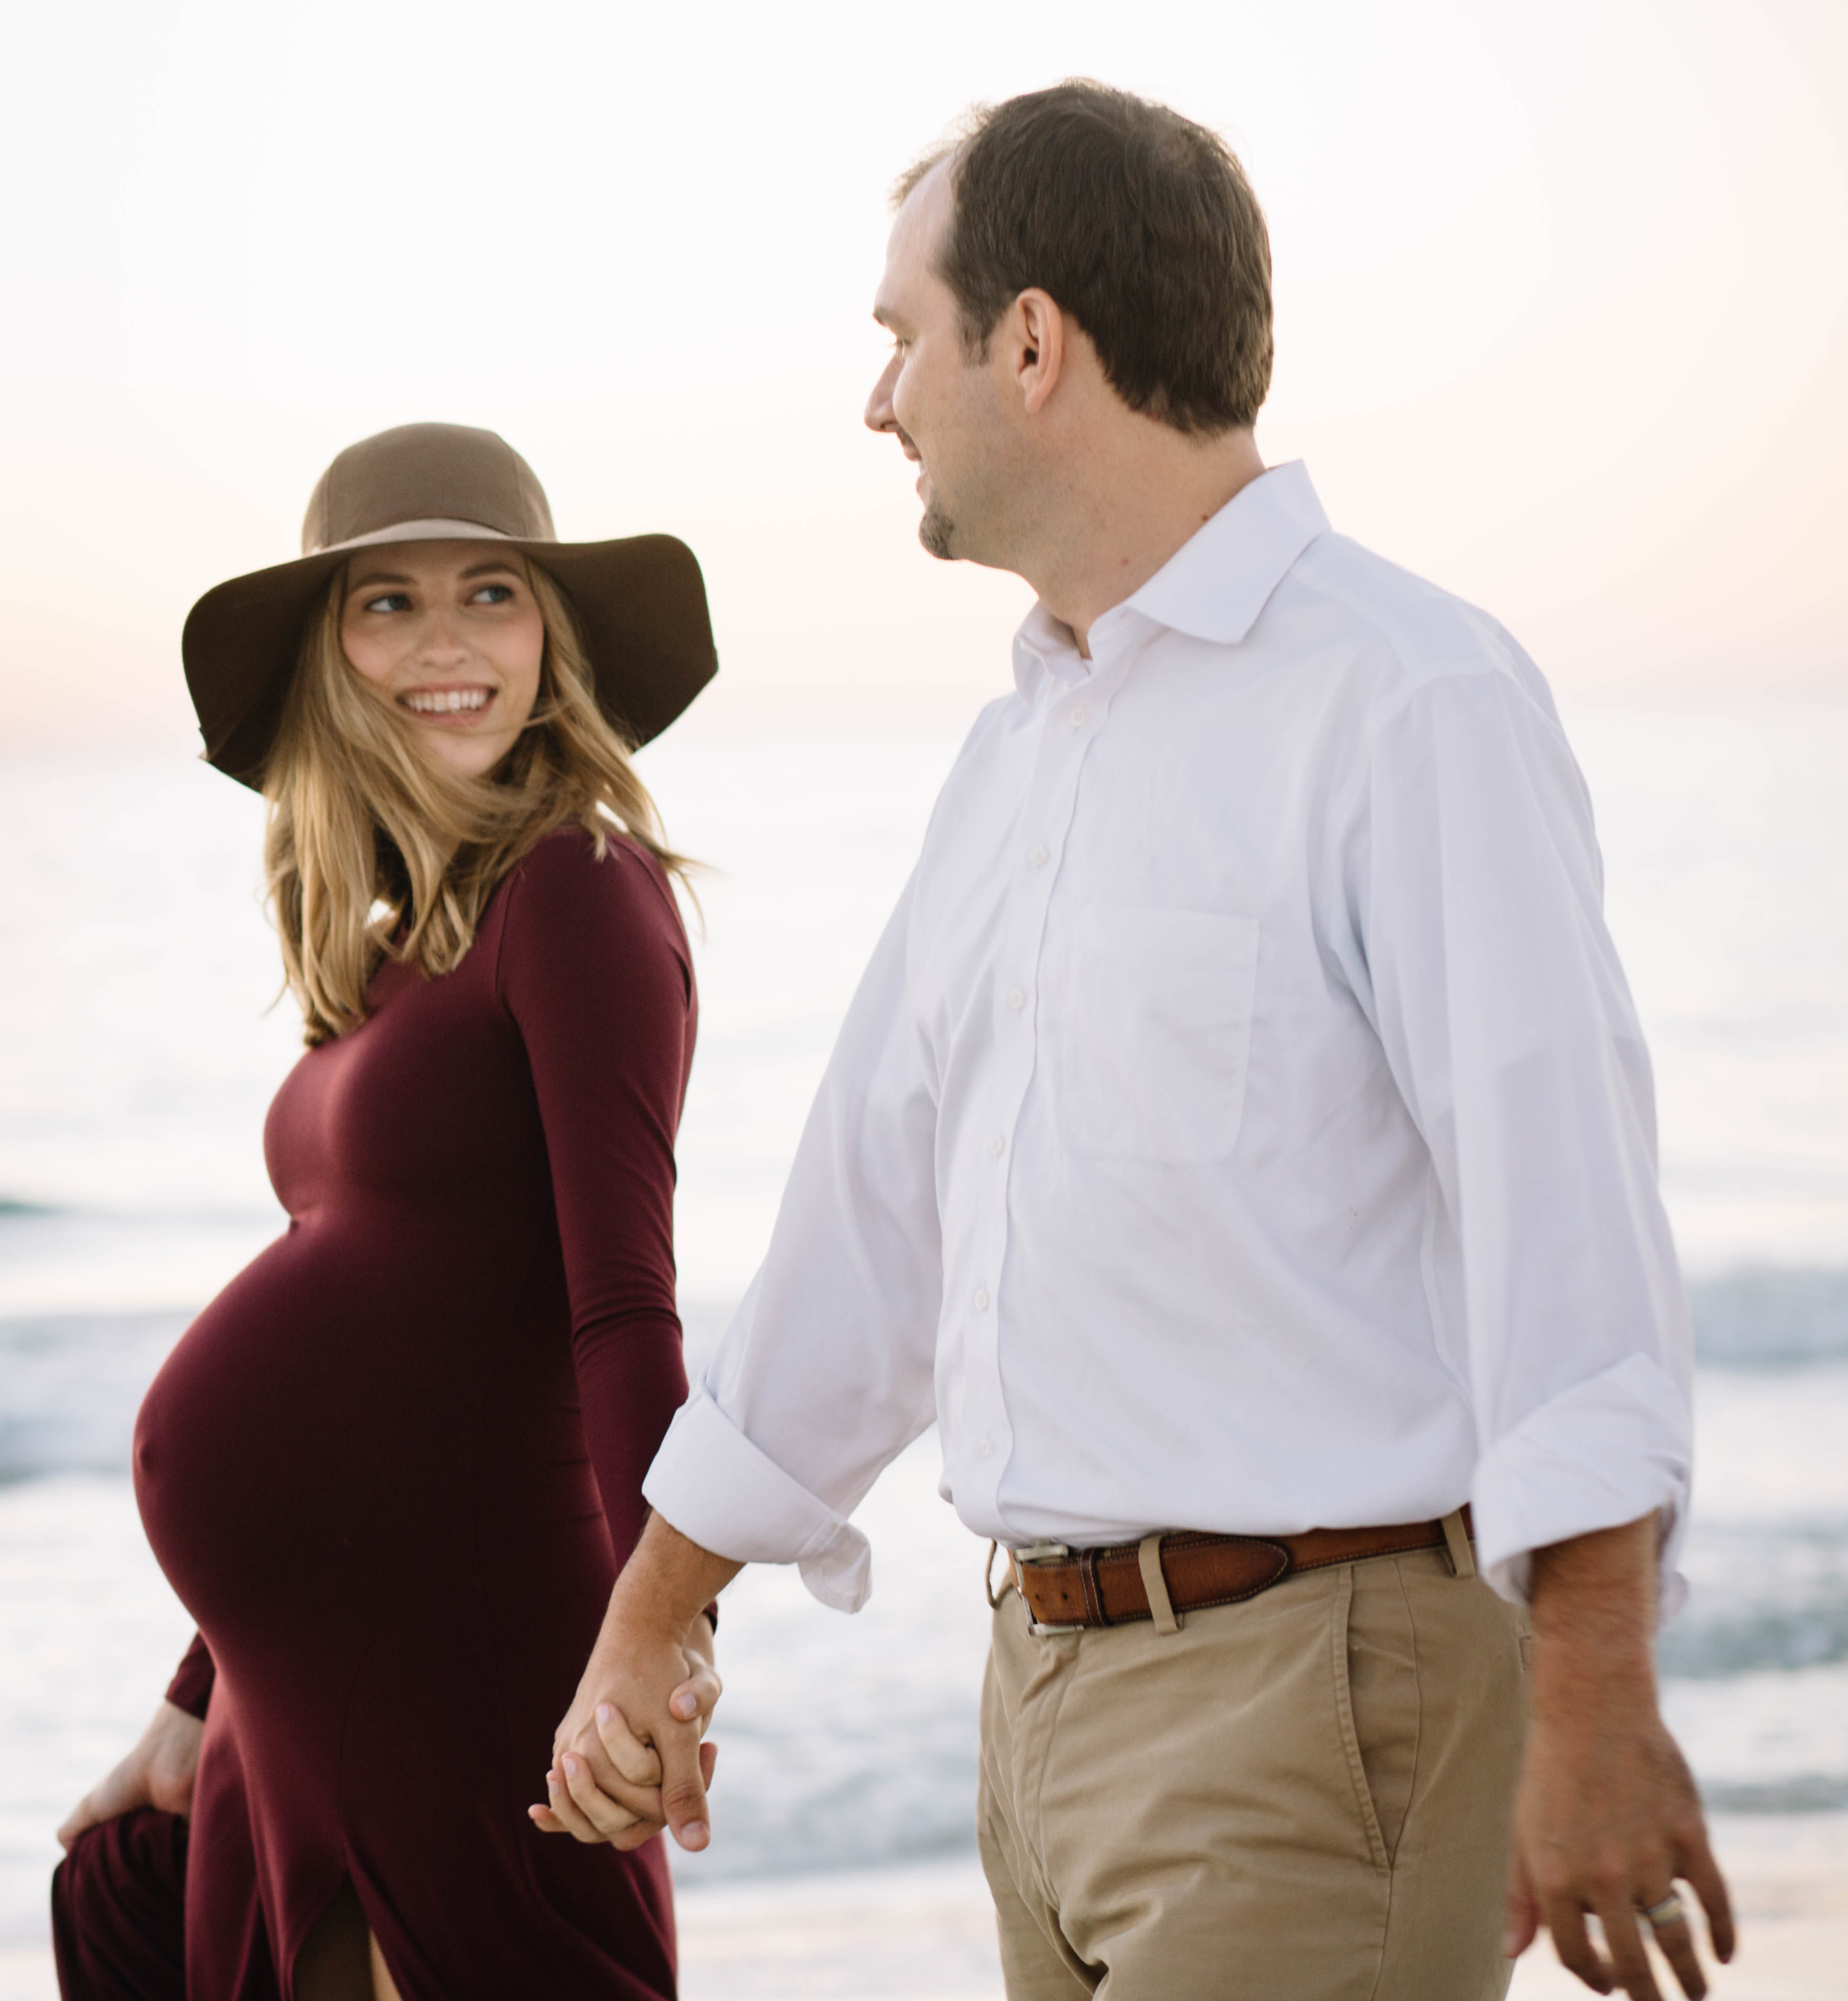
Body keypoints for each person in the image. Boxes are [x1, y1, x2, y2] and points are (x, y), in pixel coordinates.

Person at [534, 81, 1735, 2001]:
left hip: (1321, 1710)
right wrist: (652, 1621)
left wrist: (1597, 1694)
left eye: (899, 339)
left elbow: (1564, 1218)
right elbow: (869, 1244)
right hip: (1035, 1710)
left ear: (1031, 344)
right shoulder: (1016, 757)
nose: (878, 402)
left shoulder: (1408, 698)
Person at [54, 422, 722, 2001]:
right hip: (296, 1702)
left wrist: (661, 1636)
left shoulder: (578, 893)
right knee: (118, 1899)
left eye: (492, 594)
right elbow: (391, 1337)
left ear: (551, 640)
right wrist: (198, 1692)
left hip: (461, 1676)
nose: (447, 645)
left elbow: (623, 1308)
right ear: (329, 657)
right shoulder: (397, 944)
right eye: (387, 604)